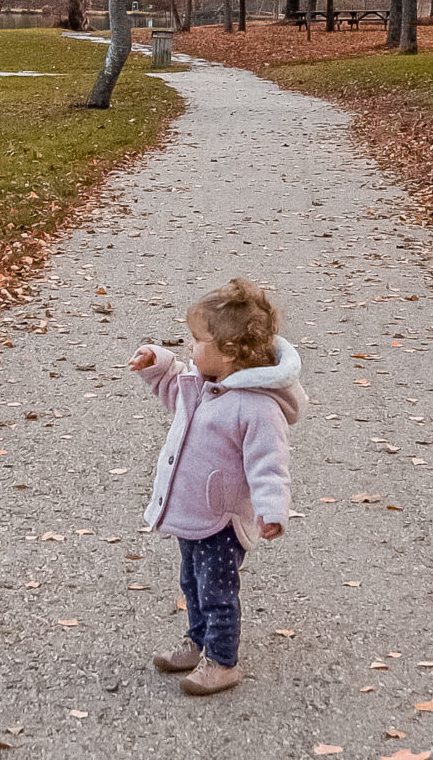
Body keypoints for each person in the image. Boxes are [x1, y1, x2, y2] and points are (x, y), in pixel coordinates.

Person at [129, 277, 304, 695]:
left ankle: (223, 662)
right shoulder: (205, 384)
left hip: (222, 521)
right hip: (192, 513)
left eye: (196, 341)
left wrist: (272, 509)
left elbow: (269, 464)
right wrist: (158, 361)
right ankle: (198, 640)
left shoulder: (257, 406)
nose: (190, 349)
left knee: (217, 591)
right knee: (191, 583)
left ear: (228, 353)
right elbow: (176, 388)